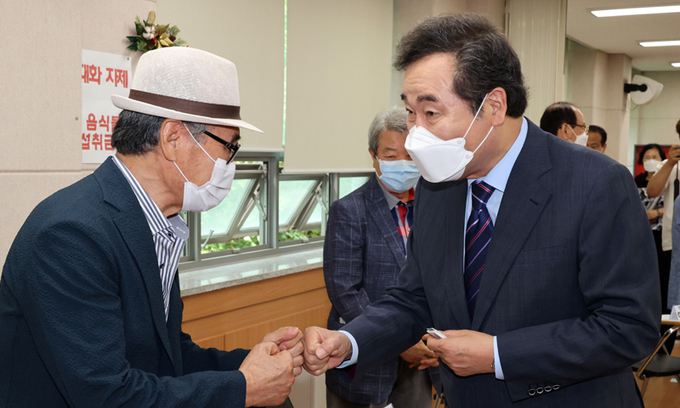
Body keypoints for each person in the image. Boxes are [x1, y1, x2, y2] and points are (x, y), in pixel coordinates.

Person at [301, 14, 660, 408]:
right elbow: (413, 297)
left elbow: (628, 327)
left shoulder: (594, 183)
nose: (415, 134)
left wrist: (499, 354)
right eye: (410, 113)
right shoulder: (438, 186)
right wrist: (349, 340)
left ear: (493, 105)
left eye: (431, 113)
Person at [0, 47, 302, 408]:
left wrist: (251, 365)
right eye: (228, 147)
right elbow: (107, 395)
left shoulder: (155, 224)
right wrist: (245, 387)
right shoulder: (71, 234)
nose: (229, 164)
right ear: (173, 138)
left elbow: (167, 357)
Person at [324, 107, 439, 408]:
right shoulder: (349, 210)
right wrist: (397, 339)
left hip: (422, 356)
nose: (402, 163)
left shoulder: (433, 207)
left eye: (409, 156)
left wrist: (435, 340)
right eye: (390, 155)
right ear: (373, 156)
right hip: (366, 360)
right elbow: (345, 291)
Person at [648, 119, 680, 310]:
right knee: (670, 302)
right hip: (673, 243)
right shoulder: (670, 165)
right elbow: (652, 191)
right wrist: (670, 163)